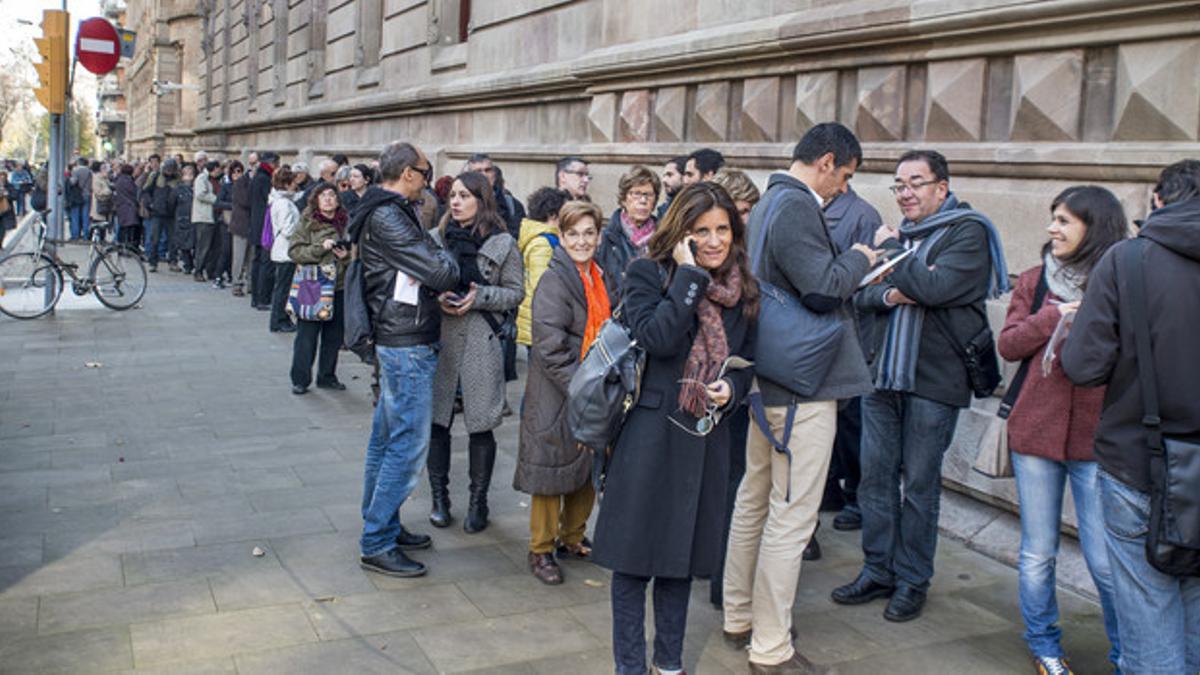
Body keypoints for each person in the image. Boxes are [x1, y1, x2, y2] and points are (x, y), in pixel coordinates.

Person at [722, 123, 877, 674]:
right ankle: (770, 646)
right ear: (828, 161)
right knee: (791, 516)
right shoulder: (795, 206)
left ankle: (740, 616)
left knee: (755, 499)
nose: (843, 189)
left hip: (772, 379)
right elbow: (822, 287)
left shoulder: (767, 204)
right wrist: (863, 255)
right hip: (801, 386)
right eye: (846, 177)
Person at [834, 149, 1010, 623]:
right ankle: (877, 569)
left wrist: (892, 256)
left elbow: (937, 289)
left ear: (942, 187)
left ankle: (912, 580)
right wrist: (895, 290)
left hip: (933, 381)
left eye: (915, 183)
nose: (905, 193)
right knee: (874, 478)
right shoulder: (903, 235)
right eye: (899, 185)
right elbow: (863, 294)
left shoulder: (967, 233)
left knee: (919, 486)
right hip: (882, 376)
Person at [592, 182, 758, 675]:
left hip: (704, 438)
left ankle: (669, 664)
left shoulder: (742, 288)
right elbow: (659, 337)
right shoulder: (649, 272)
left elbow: (748, 362)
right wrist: (688, 276)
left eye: (722, 229)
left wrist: (732, 387)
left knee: (679, 560)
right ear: (681, 233)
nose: (714, 241)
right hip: (648, 433)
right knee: (634, 560)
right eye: (701, 231)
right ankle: (630, 667)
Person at [1062, 159, 1200, 675]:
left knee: (1149, 627)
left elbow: (1083, 366)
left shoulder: (1129, 260)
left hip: (1141, 465)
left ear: (1159, 201)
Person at [998, 186, 1128, 674]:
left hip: (1097, 440)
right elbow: (1008, 345)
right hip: (1035, 434)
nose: (1052, 228)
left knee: (1105, 561)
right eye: (1053, 218)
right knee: (1037, 552)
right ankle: (1045, 646)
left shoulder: (1118, 283)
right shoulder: (1034, 283)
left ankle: (1127, 653)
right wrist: (1051, 317)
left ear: (1094, 229)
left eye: (1065, 221)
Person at [355, 141, 458, 578]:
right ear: (409, 174)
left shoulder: (389, 211)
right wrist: (441, 256)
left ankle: (384, 524)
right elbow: (441, 272)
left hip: (402, 337)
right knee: (407, 444)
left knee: (386, 438)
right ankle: (376, 540)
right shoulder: (388, 214)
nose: (428, 178)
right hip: (406, 343)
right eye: (425, 169)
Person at [515, 199, 612, 585]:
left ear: (599, 236)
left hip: (592, 384)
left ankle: (572, 537)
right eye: (573, 233)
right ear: (561, 236)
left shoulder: (600, 275)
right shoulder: (555, 280)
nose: (582, 241)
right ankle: (540, 550)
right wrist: (584, 388)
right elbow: (550, 348)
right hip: (560, 390)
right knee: (549, 470)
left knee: (585, 464)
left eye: (589, 233)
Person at [425, 171, 524, 533]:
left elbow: (516, 292)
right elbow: (419, 284)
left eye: (465, 195)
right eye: (452, 195)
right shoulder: (435, 239)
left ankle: (478, 502)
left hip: (482, 339)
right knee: (438, 422)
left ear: (482, 201)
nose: (455, 201)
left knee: (481, 425)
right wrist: (438, 298)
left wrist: (479, 297)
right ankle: (439, 499)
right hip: (440, 340)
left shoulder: (503, 243)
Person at [706, 167, 763, 608]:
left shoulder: (744, 266)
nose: (741, 224)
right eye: (737, 214)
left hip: (732, 388)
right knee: (723, 486)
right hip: (699, 393)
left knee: (729, 484)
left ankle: (719, 576)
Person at [820, 185, 885, 534]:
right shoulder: (813, 209)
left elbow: (868, 279)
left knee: (853, 423)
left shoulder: (863, 216)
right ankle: (830, 489)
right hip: (827, 336)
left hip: (854, 335)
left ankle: (856, 495)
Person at [288, 182, 350, 394]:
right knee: (307, 335)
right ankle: (300, 379)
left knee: (333, 336)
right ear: (316, 200)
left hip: (338, 286)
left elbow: (356, 254)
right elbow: (295, 252)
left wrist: (347, 256)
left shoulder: (346, 222)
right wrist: (318, 248)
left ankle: (327, 376)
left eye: (332, 195)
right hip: (313, 285)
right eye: (323, 195)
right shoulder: (307, 222)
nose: (328, 199)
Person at [515, 187, 571, 350]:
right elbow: (543, 287)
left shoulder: (546, 239)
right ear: (553, 214)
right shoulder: (543, 244)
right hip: (541, 325)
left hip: (540, 323)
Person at [595, 165, 661, 297]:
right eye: (636, 194)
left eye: (648, 195)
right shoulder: (606, 237)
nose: (643, 200)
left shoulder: (663, 236)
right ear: (624, 199)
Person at [268, 166, 299, 333]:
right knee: (283, 288)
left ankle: (282, 318)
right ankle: (279, 319)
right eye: (293, 182)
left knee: (283, 287)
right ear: (287, 184)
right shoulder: (284, 203)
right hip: (285, 251)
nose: (296, 185)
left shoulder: (281, 201)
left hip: (283, 250)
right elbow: (288, 230)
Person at [249, 152, 277, 310]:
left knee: (257, 261)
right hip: (264, 225)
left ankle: (256, 297)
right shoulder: (265, 179)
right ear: (272, 163)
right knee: (265, 263)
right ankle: (262, 298)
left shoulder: (256, 178)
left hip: (256, 223)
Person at [146, 158, 181, 273]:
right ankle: (152, 262)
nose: (169, 172)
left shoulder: (177, 180)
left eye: (171, 170)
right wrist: (150, 204)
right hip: (157, 212)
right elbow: (146, 191)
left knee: (173, 239)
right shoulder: (155, 176)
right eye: (168, 169)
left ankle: (173, 261)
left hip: (171, 213)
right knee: (155, 239)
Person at [192, 161, 221, 282]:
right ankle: (198, 271)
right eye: (218, 169)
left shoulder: (216, 179)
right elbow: (200, 194)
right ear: (213, 169)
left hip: (214, 216)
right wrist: (217, 199)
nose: (219, 172)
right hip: (204, 216)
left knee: (214, 247)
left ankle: (210, 271)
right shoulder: (202, 178)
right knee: (203, 246)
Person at [227, 161, 252, 296]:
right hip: (240, 226)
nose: (237, 174)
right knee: (239, 258)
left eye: (239, 171)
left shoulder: (249, 183)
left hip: (250, 226)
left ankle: (250, 284)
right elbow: (245, 202)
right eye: (235, 171)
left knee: (250, 258)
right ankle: (236, 283)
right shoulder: (239, 185)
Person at [172, 163, 197, 273]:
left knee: (195, 243)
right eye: (186, 174)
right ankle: (188, 264)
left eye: (190, 174)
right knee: (183, 244)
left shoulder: (196, 187)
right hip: (182, 218)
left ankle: (193, 263)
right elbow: (171, 203)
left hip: (194, 218)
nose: (188, 177)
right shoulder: (178, 188)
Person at [112, 163, 142, 248]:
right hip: (129, 207)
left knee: (123, 227)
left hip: (121, 207)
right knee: (130, 228)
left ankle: (121, 245)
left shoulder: (118, 180)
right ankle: (128, 246)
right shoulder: (128, 181)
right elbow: (134, 192)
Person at [68, 157, 93, 240]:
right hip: (87, 194)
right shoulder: (90, 171)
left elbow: (73, 182)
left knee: (75, 215)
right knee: (85, 216)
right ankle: (86, 235)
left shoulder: (76, 171)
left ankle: (75, 235)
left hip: (77, 196)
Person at [656, 155, 687, 221]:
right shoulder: (663, 209)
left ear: (684, 176)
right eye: (664, 176)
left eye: (669, 175)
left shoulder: (696, 205)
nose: (664, 180)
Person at [90, 161, 113, 234]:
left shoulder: (105, 178)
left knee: (104, 224)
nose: (106, 170)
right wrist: (108, 191)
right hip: (99, 205)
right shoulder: (97, 178)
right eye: (104, 168)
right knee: (99, 224)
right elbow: (98, 192)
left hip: (105, 205)